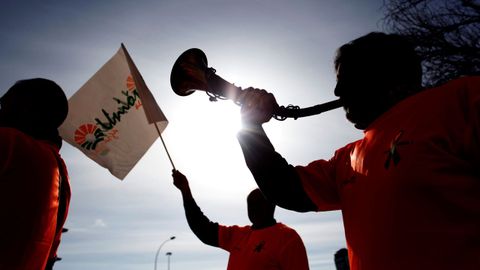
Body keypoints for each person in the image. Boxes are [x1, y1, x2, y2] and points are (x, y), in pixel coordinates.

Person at [236, 32, 480, 270]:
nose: (337, 92)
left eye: (347, 78)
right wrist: (250, 125)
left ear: (383, 72)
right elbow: (283, 188)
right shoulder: (346, 159)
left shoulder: (461, 100)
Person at [172, 169, 310, 270]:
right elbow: (203, 229)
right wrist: (185, 191)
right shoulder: (238, 235)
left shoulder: (288, 238)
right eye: (250, 204)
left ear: (272, 205)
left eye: (258, 203)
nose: (253, 209)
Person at [0, 78, 71, 270]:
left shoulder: (9, 142)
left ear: (25, 109)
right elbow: (50, 257)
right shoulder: (62, 179)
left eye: (4, 104)